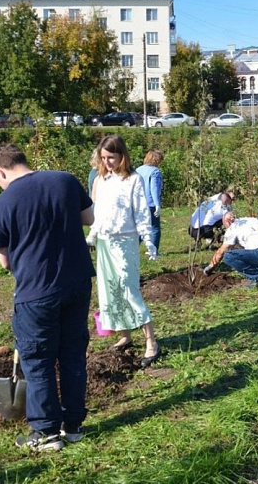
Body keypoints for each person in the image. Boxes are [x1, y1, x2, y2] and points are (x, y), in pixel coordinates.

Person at [0, 143, 95, 452]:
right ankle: (73, 426)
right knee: (73, 353)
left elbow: (5, 262)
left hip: (36, 292)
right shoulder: (65, 181)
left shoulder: (2, 205)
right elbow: (88, 218)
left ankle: (46, 434)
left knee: (38, 361)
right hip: (76, 284)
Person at [87, 135, 161, 367]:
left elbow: (141, 212)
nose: (107, 162)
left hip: (125, 241)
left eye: (111, 158)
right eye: (104, 158)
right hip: (105, 242)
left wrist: (148, 239)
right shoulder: (101, 180)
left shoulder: (134, 179)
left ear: (122, 156)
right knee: (110, 290)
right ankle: (125, 334)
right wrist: (92, 236)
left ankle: (151, 342)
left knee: (129, 289)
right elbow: (97, 213)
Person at [203, 212, 258, 288]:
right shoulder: (252, 220)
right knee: (251, 249)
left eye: (225, 225)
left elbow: (222, 251)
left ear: (228, 222)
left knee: (228, 256)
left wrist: (210, 267)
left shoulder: (233, 227)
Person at [135, 150, 164, 252]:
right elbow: (154, 189)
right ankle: (154, 250)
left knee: (140, 227)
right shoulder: (155, 172)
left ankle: (134, 248)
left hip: (138, 203)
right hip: (150, 204)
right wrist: (157, 204)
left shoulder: (138, 170)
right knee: (155, 228)